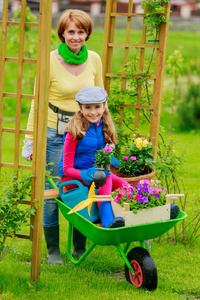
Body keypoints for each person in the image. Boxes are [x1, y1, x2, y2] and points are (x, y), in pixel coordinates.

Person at [21, 9, 104, 265]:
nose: (76, 37)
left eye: (81, 31)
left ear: (87, 33)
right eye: (71, 32)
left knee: (85, 187)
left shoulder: (94, 59)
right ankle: (53, 251)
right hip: (55, 133)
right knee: (54, 191)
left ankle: (79, 248)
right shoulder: (50, 60)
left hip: (86, 135)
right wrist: (30, 140)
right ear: (62, 33)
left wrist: (107, 131)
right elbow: (37, 102)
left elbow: (101, 97)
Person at [60, 86, 130, 235]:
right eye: (88, 108)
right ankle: (107, 220)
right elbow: (66, 168)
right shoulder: (74, 131)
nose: (93, 112)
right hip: (74, 177)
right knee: (106, 176)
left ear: (104, 106)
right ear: (80, 108)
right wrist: (84, 174)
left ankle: (142, 209)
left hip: (97, 174)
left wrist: (123, 163)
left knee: (125, 186)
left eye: (97, 107)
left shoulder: (103, 127)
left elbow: (104, 155)